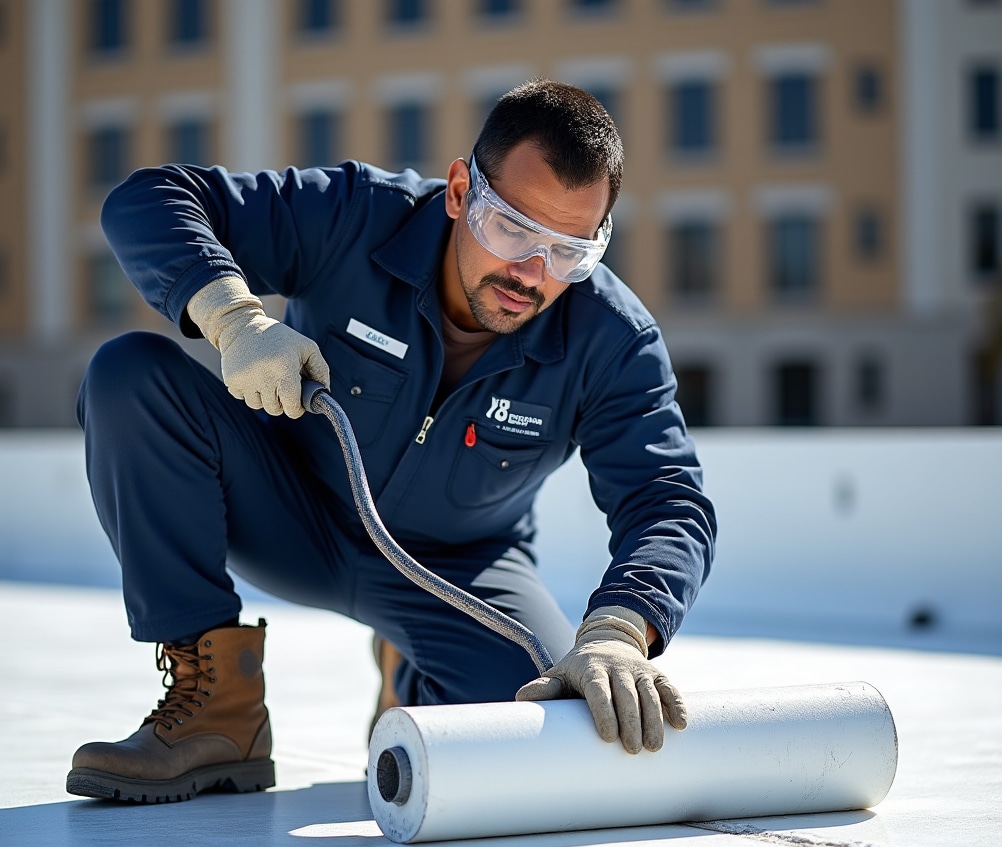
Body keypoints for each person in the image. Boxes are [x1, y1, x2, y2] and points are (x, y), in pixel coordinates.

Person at [67, 79, 717, 804]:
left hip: (455, 572)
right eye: (511, 230)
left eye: (569, 251)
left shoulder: (612, 340)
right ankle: (221, 710)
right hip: (290, 509)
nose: (532, 275)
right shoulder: (355, 216)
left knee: (538, 730)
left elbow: (668, 502)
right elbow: (147, 200)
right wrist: (234, 320)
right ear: (461, 191)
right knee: (129, 375)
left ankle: (408, 673)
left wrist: (619, 630)